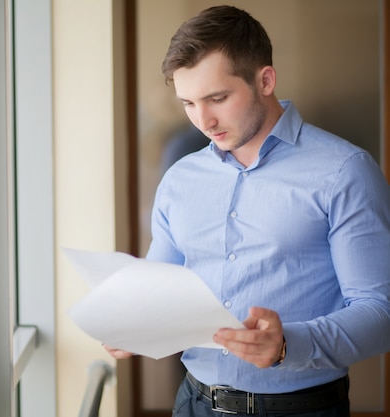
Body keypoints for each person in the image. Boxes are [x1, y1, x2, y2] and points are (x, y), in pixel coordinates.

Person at [105, 5, 390, 417]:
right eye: (188, 103)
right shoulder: (180, 178)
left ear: (266, 80)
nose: (203, 120)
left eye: (217, 98)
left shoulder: (344, 172)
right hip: (193, 403)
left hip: (301, 409)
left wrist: (289, 344)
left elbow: (380, 311)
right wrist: (133, 323)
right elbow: (160, 290)